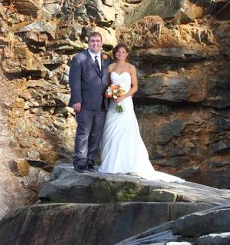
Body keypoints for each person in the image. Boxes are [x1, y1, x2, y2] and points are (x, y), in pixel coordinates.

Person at [98, 43, 183, 182]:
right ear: (115, 53)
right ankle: (111, 163)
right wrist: (111, 93)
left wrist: (123, 96)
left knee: (126, 130)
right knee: (111, 130)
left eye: (123, 52)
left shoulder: (131, 68)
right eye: (118, 52)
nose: (120, 54)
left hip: (125, 102)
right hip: (114, 103)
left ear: (127, 54)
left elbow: (135, 87)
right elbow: (107, 85)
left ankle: (127, 162)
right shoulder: (110, 67)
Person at [69, 31, 110, 172]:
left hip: (102, 104)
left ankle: (90, 161)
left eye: (98, 41)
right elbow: (74, 81)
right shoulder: (79, 58)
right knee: (83, 133)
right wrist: (76, 100)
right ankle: (80, 161)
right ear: (88, 42)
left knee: (96, 134)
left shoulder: (106, 59)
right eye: (93, 41)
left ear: (101, 43)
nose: (95, 43)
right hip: (85, 103)